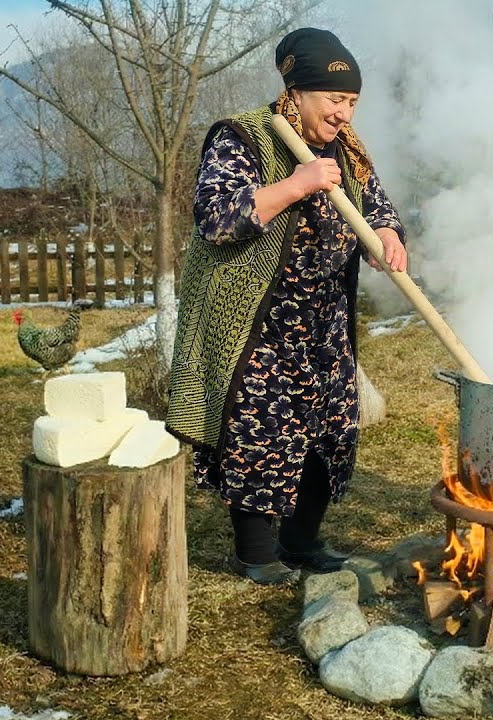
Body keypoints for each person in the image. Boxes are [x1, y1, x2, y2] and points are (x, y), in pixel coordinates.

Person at [166, 28, 408, 585]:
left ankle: (301, 541)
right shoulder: (242, 137)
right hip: (259, 319)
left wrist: (388, 235)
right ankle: (257, 554)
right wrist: (296, 186)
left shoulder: (348, 152)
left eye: (351, 102)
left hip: (323, 322)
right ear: (296, 92)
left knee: (331, 427)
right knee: (261, 430)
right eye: (334, 100)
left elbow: (377, 209)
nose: (344, 113)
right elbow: (217, 220)